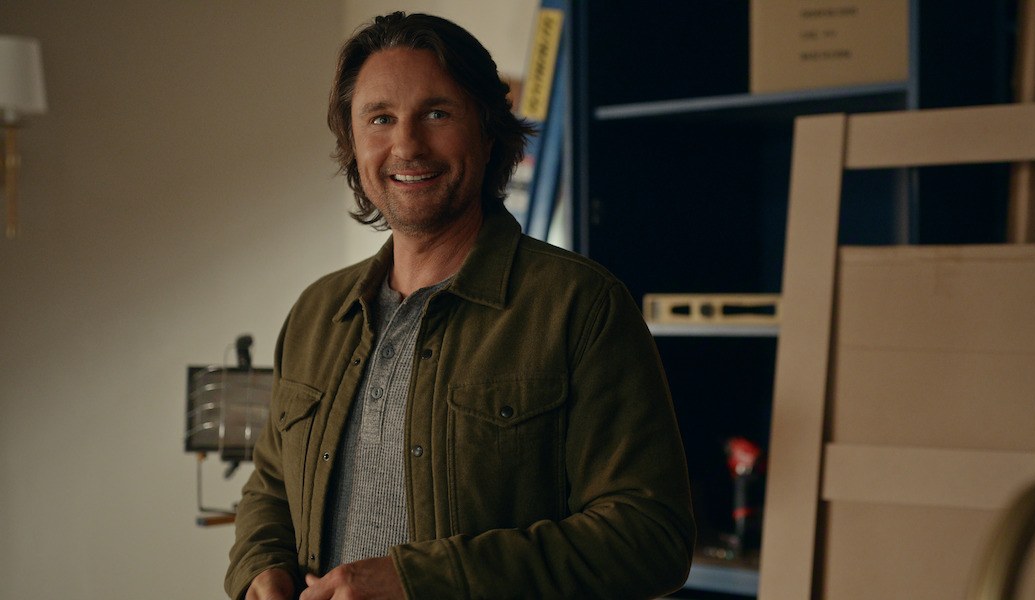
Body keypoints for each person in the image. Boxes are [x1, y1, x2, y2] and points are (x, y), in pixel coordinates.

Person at [224, 11, 695, 600]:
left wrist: (422, 581)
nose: (406, 145)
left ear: (488, 132)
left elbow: (649, 538)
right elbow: (270, 486)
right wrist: (261, 567)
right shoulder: (318, 313)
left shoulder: (579, 306)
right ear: (353, 144)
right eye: (380, 118)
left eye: (437, 114)